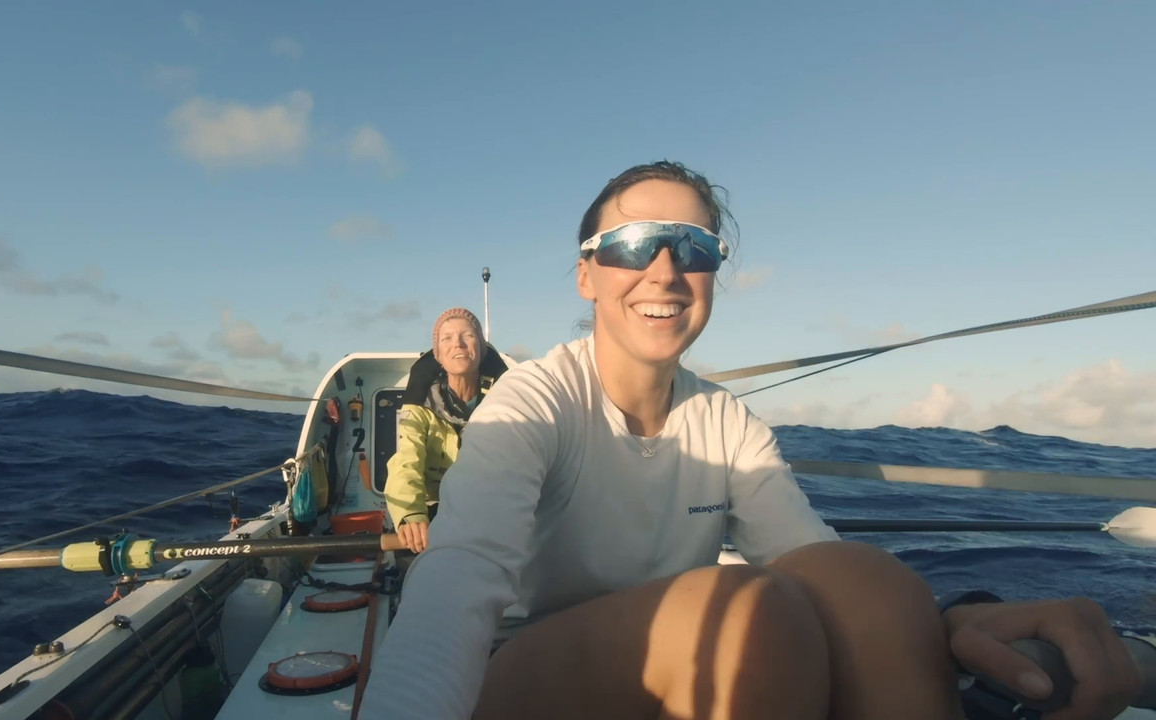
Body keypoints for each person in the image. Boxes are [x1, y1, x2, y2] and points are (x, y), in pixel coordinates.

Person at [362, 161, 1141, 719]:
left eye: (695, 249)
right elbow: (459, 582)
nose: (665, 270)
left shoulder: (725, 421)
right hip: (524, 673)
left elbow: (820, 561)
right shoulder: (534, 401)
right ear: (587, 275)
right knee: (750, 616)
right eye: (635, 244)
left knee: (867, 581)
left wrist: (941, 621)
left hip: (689, 670)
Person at [384, 307, 507, 553]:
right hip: (433, 510)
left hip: (489, 512)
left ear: (481, 350)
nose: (458, 345)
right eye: (447, 338)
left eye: (468, 336)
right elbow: (406, 460)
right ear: (438, 354)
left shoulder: (505, 402)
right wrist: (411, 514)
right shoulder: (421, 406)